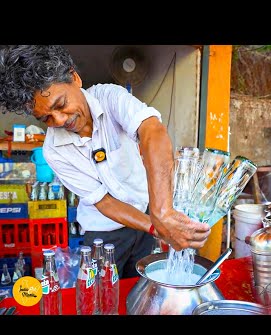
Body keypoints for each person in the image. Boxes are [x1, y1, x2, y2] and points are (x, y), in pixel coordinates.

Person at [0, 45, 211, 278]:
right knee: (101, 295)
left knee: (140, 288)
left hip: (149, 213)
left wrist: (162, 212)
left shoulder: (110, 97)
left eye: (60, 105)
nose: (60, 120)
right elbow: (104, 202)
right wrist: (156, 227)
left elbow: (153, 132)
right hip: (103, 232)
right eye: (46, 118)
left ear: (74, 78)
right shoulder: (54, 151)